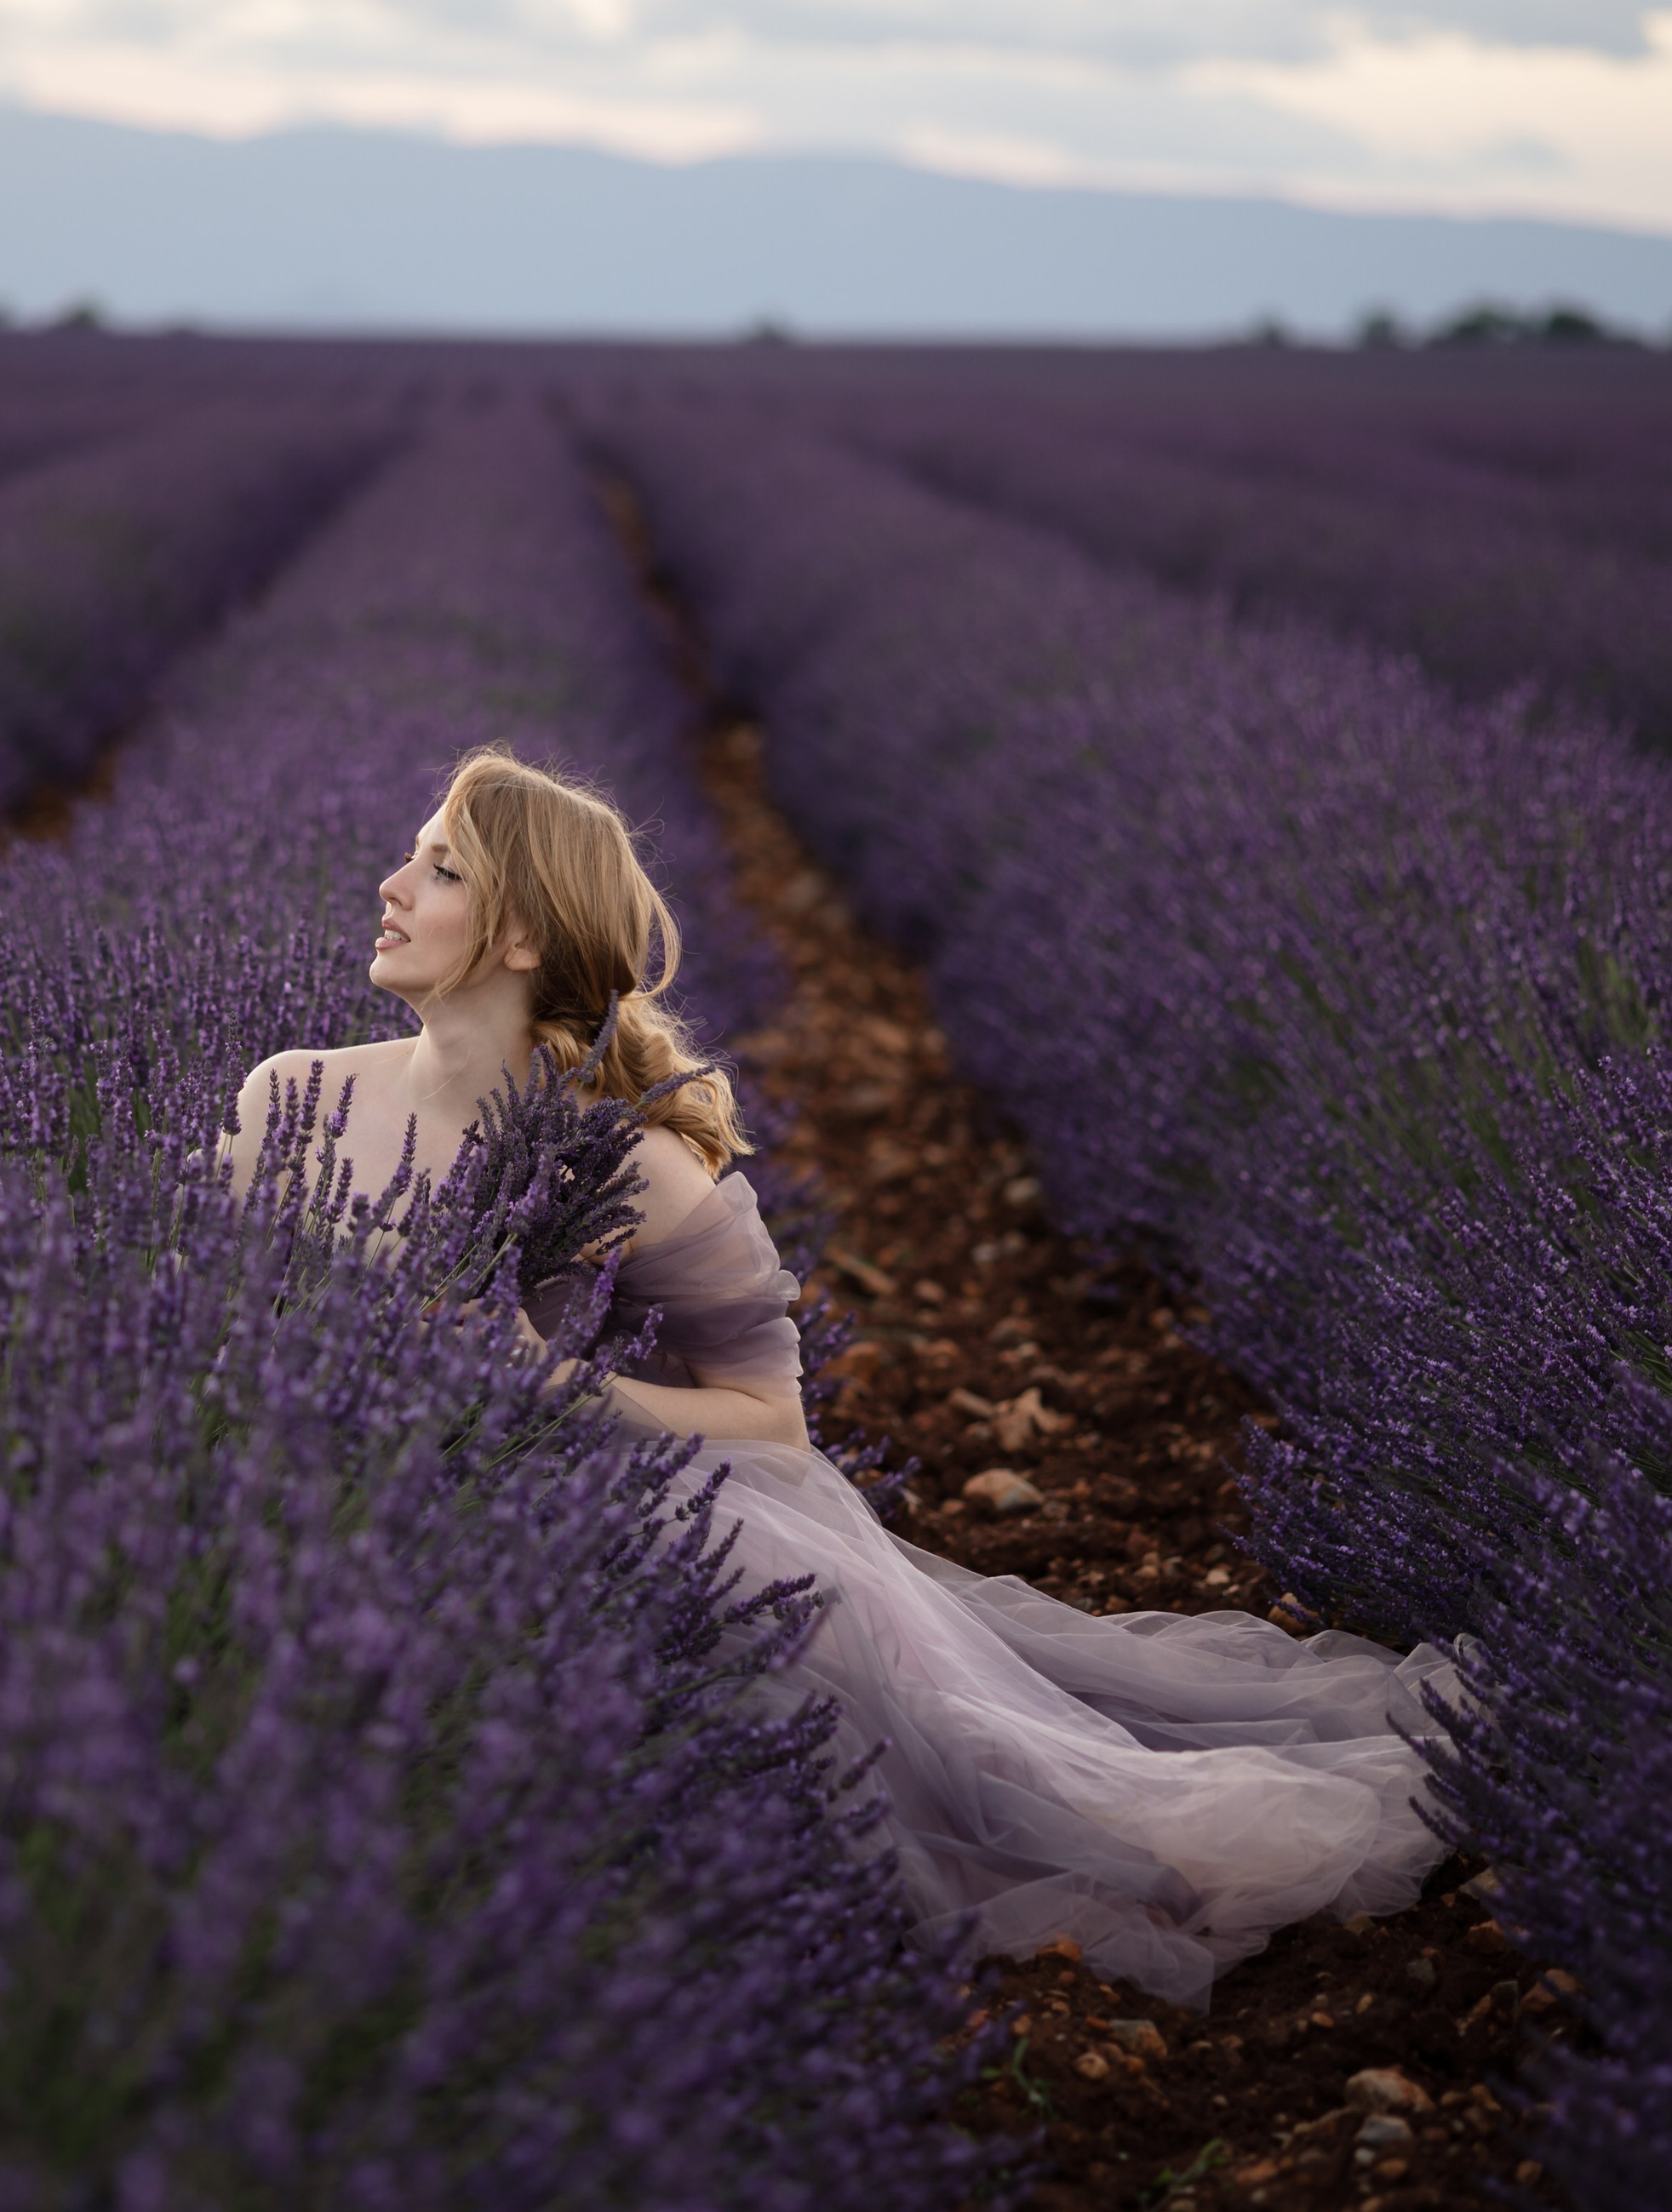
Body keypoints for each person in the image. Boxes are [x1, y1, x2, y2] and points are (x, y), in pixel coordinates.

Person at [226, 746, 1453, 2008]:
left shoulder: (633, 1164)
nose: (389, 884)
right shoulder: (290, 1103)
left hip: (570, 1513)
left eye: (436, 868)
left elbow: (772, 1420)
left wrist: (557, 1390)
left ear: (524, 931)